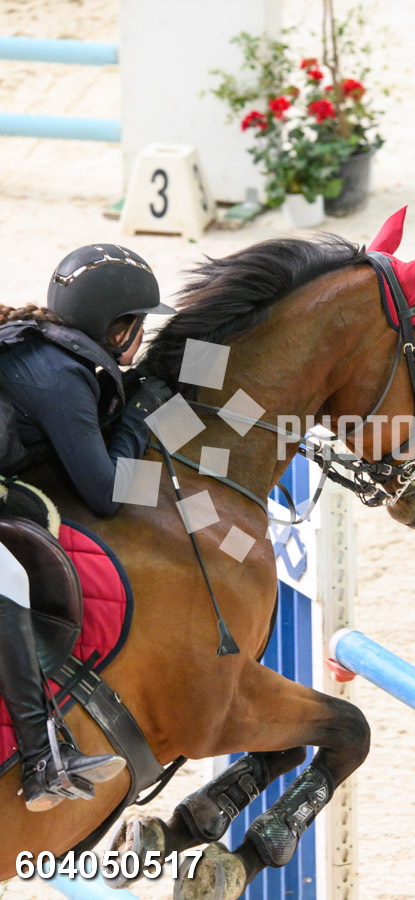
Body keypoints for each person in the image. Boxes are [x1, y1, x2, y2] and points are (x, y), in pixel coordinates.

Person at [0, 243, 175, 811]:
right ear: (117, 328)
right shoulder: (60, 374)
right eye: (140, 325)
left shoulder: (53, 351)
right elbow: (105, 493)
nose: (142, 336)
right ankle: (41, 760)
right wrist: (140, 418)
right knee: (6, 577)